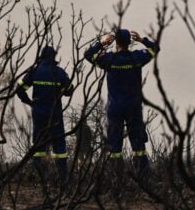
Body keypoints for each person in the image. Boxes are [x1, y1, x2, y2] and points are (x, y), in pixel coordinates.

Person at [83, 29, 159, 176]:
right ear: (129, 42)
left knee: (114, 145)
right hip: (133, 107)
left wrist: (102, 43)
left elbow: (88, 55)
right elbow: (155, 49)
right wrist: (143, 40)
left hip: (115, 107)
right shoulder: (137, 58)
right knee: (138, 144)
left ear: (116, 42)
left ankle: (116, 176)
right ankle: (143, 175)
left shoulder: (108, 59)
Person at [16, 45, 74, 184]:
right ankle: (63, 178)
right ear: (53, 56)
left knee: (39, 146)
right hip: (55, 115)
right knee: (59, 146)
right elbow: (69, 90)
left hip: (38, 113)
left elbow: (19, 89)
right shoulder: (59, 72)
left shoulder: (34, 71)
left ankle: (40, 177)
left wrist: (29, 102)